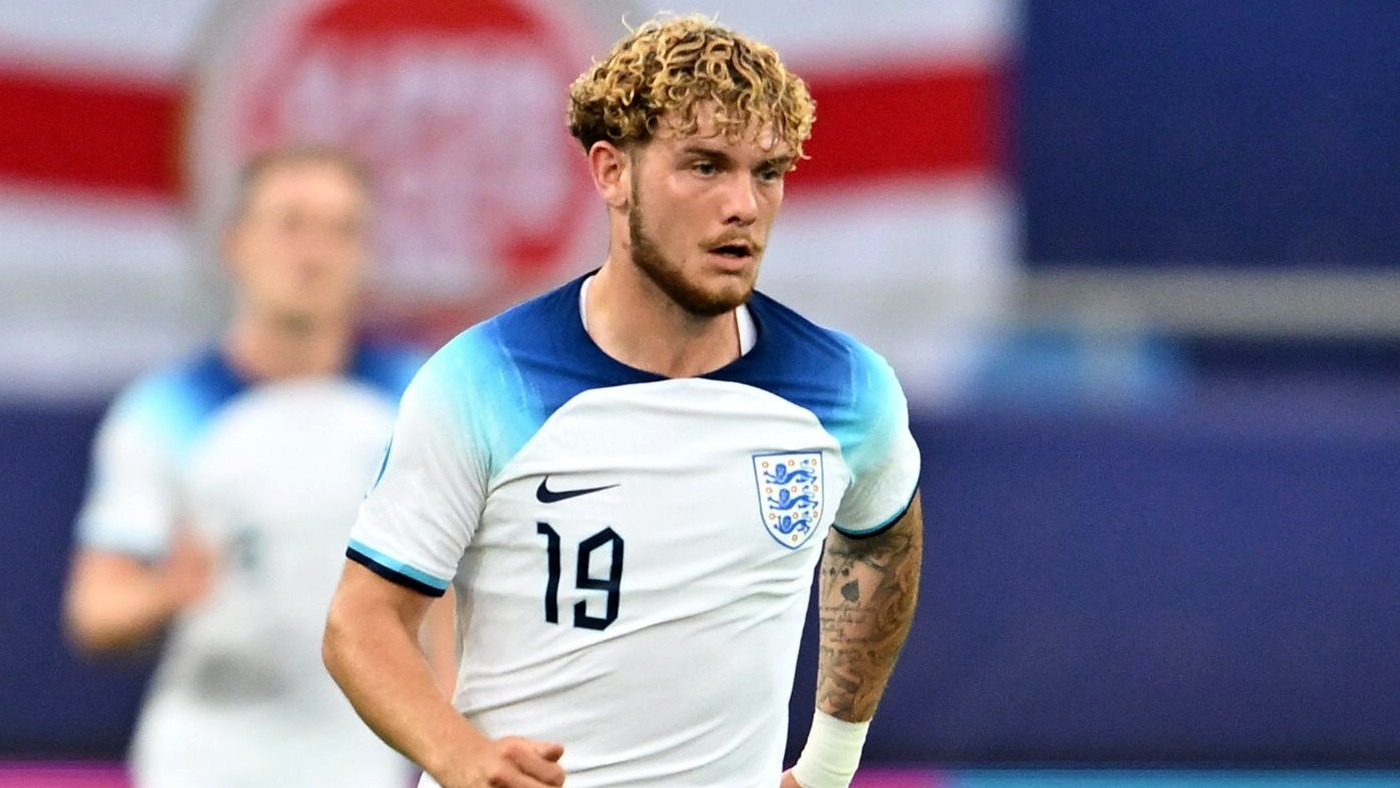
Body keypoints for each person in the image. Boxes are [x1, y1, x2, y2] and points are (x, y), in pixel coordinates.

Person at [323, 14, 924, 788]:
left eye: (767, 172)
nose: (744, 204)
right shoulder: (483, 380)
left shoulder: (845, 389)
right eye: (705, 166)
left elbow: (881, 542)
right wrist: (460, 756)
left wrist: (830, 762)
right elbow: (362, 621)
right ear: (611, 173)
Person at [63, 145, 450, 787]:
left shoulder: (422, 400)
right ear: (235, 244)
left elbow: (455, 598)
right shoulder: (166, 411)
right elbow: (95, 610)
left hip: (360, 756)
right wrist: (170, 589)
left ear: (366, 254)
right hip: (206, 758)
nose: (314, 253)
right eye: (290, 224)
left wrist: (460, 749)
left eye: (341, 230)